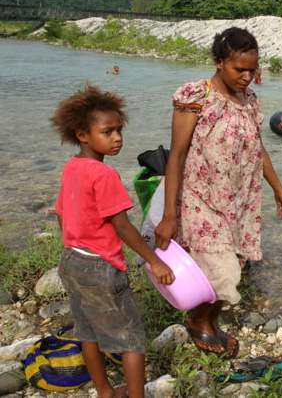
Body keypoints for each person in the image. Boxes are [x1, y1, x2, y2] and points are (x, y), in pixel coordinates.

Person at [155, 27, 282, 358]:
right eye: (239, 69)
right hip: (201, 197)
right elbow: (176, 155)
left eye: (252, 69)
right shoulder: (196, 97)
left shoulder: (250, 102)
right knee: (223, 270)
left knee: (233, 264)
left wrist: (278, 188)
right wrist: (170, 213)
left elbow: (258, 148)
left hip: (240, 201)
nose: (247, 76)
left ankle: (208, 322)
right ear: (218, 62)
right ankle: (198, 322)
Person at [50, 84, 175, 398]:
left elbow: (62, 213)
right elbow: (122, 226)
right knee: (131, 337)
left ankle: (104, 392)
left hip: (71, 260)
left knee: (88, 331)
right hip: (99, 266)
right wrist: (156, 260)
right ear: (82, 134)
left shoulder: (72, 166)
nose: (117, 138)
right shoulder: (104, 175)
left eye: (119, 130)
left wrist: (77, 240)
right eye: (108, 131)